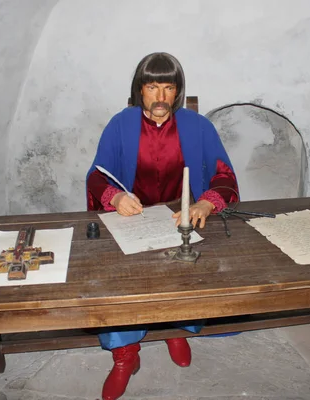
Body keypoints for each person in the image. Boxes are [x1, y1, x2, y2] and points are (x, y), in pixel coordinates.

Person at [86, 52, 239, 400]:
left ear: (178, 92)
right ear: (139, 90)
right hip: (133, 219)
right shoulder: (120, 125)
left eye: (168, 88)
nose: (159, 98)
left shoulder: (197, 127)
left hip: (179, 220)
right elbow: (97, 175)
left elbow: (224, 176)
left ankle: (177, 328)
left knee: (188, 271)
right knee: (120, 282)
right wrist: (114, 197)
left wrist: (205, 202)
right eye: (152, 87)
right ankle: (125, 353)